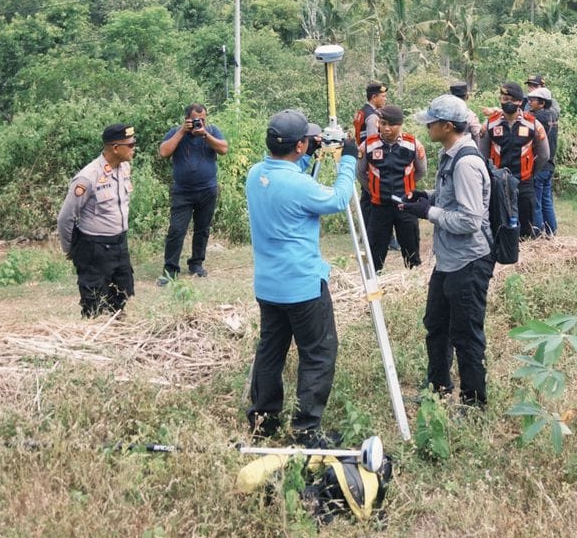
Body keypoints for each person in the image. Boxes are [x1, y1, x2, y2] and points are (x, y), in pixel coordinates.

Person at [244, 110, 359, 445]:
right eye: (306, 140)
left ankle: (262, 419)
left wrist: (306, 154)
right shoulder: (298, 184)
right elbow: (339, 199)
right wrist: (349, 159)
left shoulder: (256, 174)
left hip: (268, 285)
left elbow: (290, 179)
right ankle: (306, 429)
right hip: (302, 285)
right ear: (297, 145)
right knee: (318, 352)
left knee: (271, 350)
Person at [403, 94, 494, 408]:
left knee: (465, 334)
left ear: (446, 126)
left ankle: (473, 402)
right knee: (436, 325)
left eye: (431, 122)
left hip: (468, 260)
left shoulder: (466, 162)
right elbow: (450, 197)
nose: (427, 127)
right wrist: (425, 196)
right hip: (448, 259)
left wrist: (429, 213)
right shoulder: (450, 155)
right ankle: (437, 388)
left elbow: (469, 219)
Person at [58, 124, 139, 318]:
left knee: (121, 297)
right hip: (95, 249)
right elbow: (65, 217)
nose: (133, 148)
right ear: (115, 148)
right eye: (130, 144)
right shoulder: (88, 177)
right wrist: (70, 249)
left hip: (120, 244)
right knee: (94, 304)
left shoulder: (124, 168)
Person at [157, 103, 230, 284]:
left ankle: (196, 264)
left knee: (202, 229)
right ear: (187, 119)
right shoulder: (176, 132)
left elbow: (224, 149)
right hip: (183, 192)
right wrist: (182, 132)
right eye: (196, 120)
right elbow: (164, 152)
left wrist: (205, 134)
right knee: (176, 230)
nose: (200, 122)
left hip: (207, 189)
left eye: (203, 119)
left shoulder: (211, 131)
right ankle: (170, 270)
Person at [359, 105, 427, 270]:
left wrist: (407, 187)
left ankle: (412, 285)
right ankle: (374, 286)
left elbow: (421, 171)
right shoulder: (367, 146)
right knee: (375, 252)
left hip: (406, 206)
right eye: (383, 123)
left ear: (401, 124)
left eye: (392, 124)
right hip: (379, 207)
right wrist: (374, 190)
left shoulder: (413, 145)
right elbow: (361, 174)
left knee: (411, 251)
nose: (386, 128)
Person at [483, 81, 550, 238]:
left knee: (526, 226)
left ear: (520, 102)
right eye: (505, 99)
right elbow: (482, 156)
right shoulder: (489, 125)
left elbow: (544, 155)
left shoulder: (533, 124)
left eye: (513, 100)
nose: (509, 103)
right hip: (498, 184)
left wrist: (531, 172)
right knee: (498, 225)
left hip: (524, 182)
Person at [526, 86, 560, 237]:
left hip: (539, 165)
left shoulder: (537, 118)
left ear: (542, 103)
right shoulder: (553, 116)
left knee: (537, 203)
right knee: (547, 202)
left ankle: (538, 234)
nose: (530, 103)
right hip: (550, 164)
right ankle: (552, 232)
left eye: (532, 100)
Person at [353, 82, 389, 146]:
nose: (385, 99)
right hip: (369, 153)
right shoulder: (372, 117)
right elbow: (373, 143)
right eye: (383, 96)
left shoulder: (362, 111)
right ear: (374, 97)